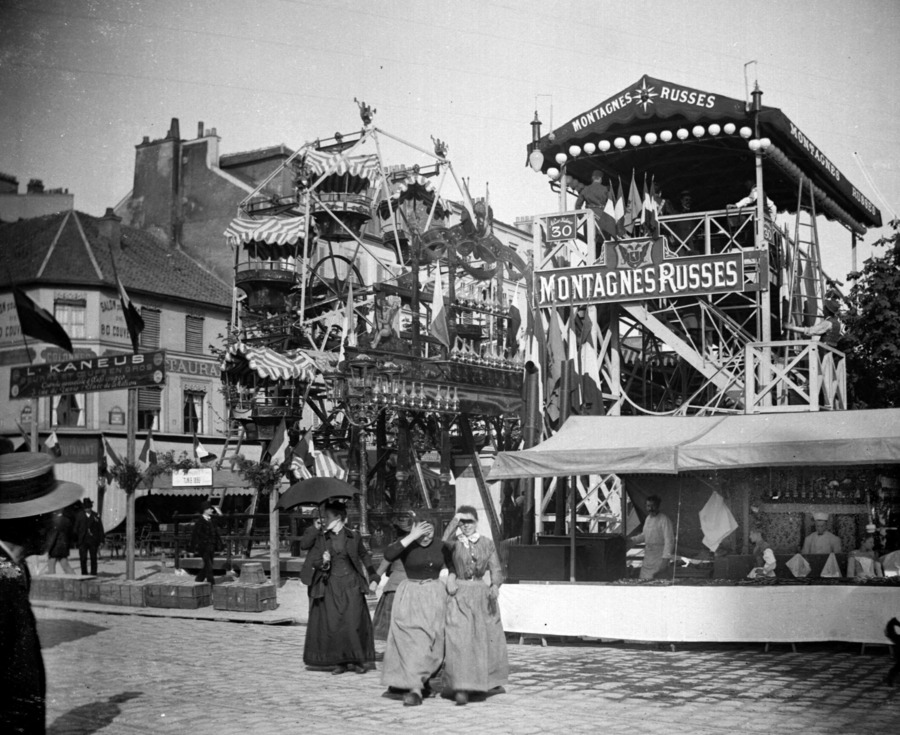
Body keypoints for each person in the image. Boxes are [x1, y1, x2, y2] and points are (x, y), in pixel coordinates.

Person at [1, 452, 83, 733]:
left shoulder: (14, 568)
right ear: (29, 521)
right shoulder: (3, 581)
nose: (54, 524)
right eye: (50, 514)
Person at [300, 500, 378, 675]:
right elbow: (315, 561)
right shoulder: (322, 538)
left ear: (338, 517)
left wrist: (373, 575)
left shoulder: (353, 535)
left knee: (353, 621)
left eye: (328, 516)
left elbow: (363, 555)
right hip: (331, 585)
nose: (325, 520)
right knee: (335, 624)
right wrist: (324, 561)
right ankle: (340, 662)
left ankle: (357, 660)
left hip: (351, 583)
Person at [442, 506, 509, 706]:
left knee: (485, 638)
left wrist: (495, 585)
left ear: (477, 522)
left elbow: (496, 568)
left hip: (481, 594)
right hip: (460, 593)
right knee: (459, 639)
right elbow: (444, 540)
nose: (466, 526)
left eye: (469, 521)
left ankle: (488, 683)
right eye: (463, 522)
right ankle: (461, 686)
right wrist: (455, 520)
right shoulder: (454, 543)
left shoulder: (487, 544)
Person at [381, 518, 450, 707]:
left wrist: (450, 581)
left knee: (431, 642)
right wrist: (412, 536)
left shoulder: (441, 546)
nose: (426, 537)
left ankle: (423, 681)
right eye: (422, 531)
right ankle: (414, 689)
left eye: (430, 532)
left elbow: (452, 567)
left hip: (434, 597)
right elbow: (388, 554)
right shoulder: (406, 545)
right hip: (410, 596)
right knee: (412, 641)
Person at [372, 513, 412, 641]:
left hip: (394, 589)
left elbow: (385, 569)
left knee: (389, 628)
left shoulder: (393, 547)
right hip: (412, 588)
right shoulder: (417, 546)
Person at [629, 494, 674, 580]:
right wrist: (632, 540)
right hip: (648, 558)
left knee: (657, 583)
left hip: (659, 559)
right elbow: (644, 536)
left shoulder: (664, 520)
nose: (651, 508)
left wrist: (665, 561)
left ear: (658, 506)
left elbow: (669, 542)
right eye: (648, 506)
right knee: (643, 583)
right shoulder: (648, 519)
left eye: (653, 506)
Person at [190, 502, 221, 584]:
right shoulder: (199, 522)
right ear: (205, 510)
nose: (211, 510)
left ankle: (199, 578)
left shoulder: (211, 520)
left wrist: (220, 513)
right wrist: (191, 550)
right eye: (210, 509)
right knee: (208, 564)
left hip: (211, 546)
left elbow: (220, 525)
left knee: (209, 564)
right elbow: (195, 536)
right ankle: (211, 583)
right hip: (203, 546)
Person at [74, 498, 104, 575]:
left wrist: (101, 540)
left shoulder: (96, 515)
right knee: (83, 558)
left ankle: (93, 573)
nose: (88, 509)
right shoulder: (79, 516)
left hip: (93, 540)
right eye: (86, 508)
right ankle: (84, 573)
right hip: (83, 540)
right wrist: (77, 539)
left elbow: (100, 529)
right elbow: (76, 528)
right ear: (84, 508)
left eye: (89, 507)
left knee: (93, 558)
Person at [45, 507, 74, 575]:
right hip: (64, 546)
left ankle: (52, 581)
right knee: (65, 565)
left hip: (55, 547)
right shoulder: (67, 520)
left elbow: (53, 536)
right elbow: (70, 535)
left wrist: (48, 547)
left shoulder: (54, 521)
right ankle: (75, 578)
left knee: (51, 566)